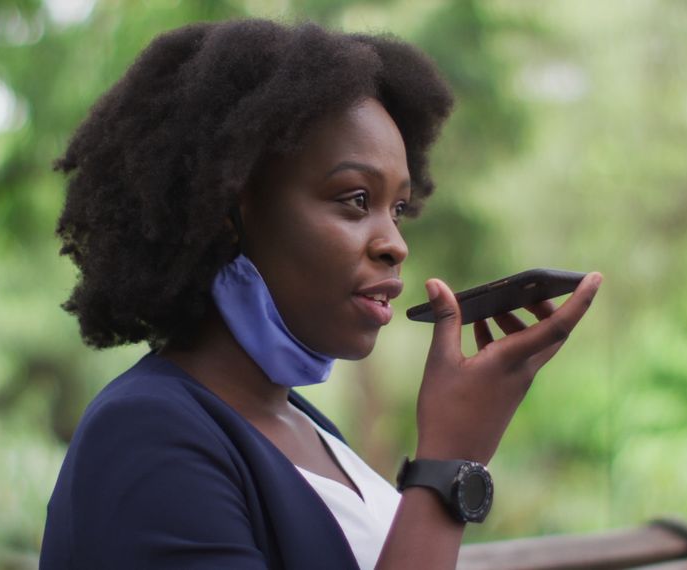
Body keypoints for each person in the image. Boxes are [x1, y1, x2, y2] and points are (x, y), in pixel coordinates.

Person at [39, 19, 601, 570]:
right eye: (355, 199)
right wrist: (449, 459)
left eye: (398, 208)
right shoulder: (145, 436)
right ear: (228, 210)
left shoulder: (302, 424)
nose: (394, 244)